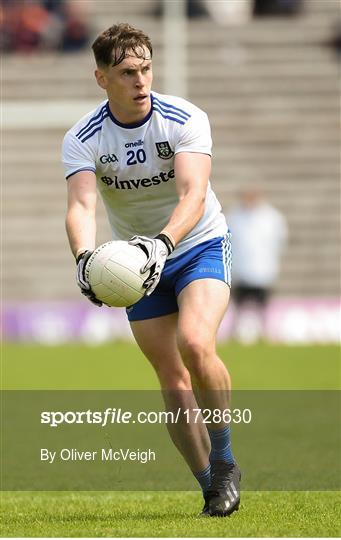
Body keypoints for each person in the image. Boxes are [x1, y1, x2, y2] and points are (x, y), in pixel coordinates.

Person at [62, 23, 240, 517]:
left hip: (197, 243)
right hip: (135, 265)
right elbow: (80, 205)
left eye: (145, 68)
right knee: (173, 379)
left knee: (196, 342)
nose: (140, 81)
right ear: (102, 79)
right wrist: (84, 259)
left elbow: (193, 193)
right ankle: (209, 486)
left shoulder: (184, 117)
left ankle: (225, 462)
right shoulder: (83, 138)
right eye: (126, 72)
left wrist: (164, 243)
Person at [227, 187, 288, 341]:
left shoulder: (272, 217)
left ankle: (265, 333)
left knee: (263, 306)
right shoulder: (234, 216)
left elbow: (279, 242)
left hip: (263, 270)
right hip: (240, 270)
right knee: (238, 305)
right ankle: (234, 332)